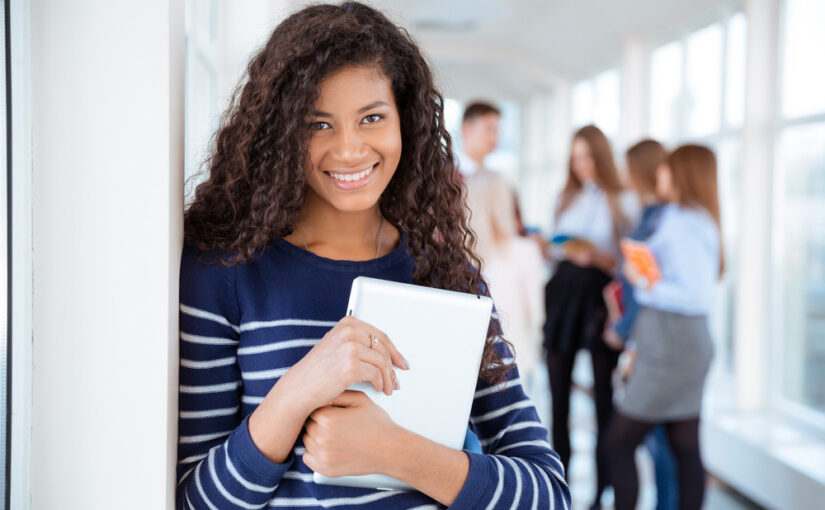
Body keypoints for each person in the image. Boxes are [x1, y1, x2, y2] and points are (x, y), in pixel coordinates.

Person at [177, 3, 570, 509]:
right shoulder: (222, 273)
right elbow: (194, 501)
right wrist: (297, 390)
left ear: (405, 120)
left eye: (371, 118)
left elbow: (548, 494)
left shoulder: (445, 274)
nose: (349, 150)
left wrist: (397, 453)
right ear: (280, 131)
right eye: (318, 124)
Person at [608, 144, 722, 510]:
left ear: (681, 174)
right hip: (679, 340)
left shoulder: (684, 220)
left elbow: (695, 293)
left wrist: (642, 281)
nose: (660, 172)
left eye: (667, 167)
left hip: (675, 343)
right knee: (683, 442)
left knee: (620, 441)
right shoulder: (694, 218)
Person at [543, 124, 638, 510]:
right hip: (563, 298)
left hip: (597, 300)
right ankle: (558, 483)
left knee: (603, 401)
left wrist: (595, 257)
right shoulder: (564, 198)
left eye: (587, 157)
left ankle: (602, 492)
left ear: (601, 156)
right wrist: (551, 247)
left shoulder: (622, 201)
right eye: (575, 158)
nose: (581, 165)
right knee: (558, 398)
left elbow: (629, 264)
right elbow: (553, 252)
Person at [604, 139, 678, 510]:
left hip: (651, 340)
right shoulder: (649, 215)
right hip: (644, 337)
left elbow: (651, 289)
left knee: (655, 441)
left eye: (627, 165)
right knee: (656, 440)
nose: (622, 172)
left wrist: (623, 332)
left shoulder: (662, 220)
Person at [465, 171, 545, 399]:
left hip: (471, 359)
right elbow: (536, 314)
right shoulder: (525, 250)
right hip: (516, 356)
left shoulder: (461, 256)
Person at [456, 101, 500, 177]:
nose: (494, 138)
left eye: (496, 131)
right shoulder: (445, 176)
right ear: (466, 129)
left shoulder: (497, 178)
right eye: (489, 129)